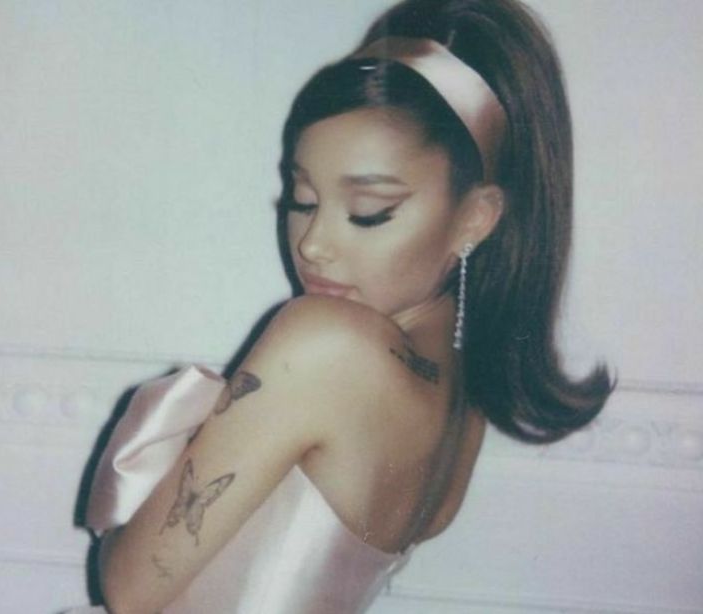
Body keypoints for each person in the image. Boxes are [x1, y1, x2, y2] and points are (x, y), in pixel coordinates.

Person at [76, 0, 615, 612]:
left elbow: (127, 588)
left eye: (368, 213)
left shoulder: (325, 343)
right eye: (303, 199)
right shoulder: (467, 392)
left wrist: (155, 448)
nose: (312, 243)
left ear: (476, 217)